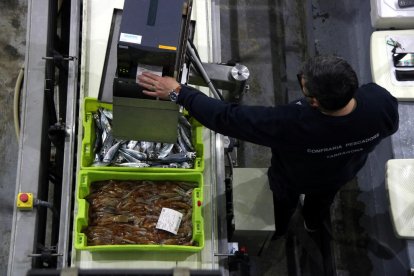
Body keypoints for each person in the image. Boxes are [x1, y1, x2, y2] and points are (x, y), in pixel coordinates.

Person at [137, 56, 399, 237]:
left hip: (292, 179)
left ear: (315, 102)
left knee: (282, 204)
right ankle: (313, 223)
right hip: (342, 172)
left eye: (303, 87)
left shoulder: (292, 124)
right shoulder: (381, 104)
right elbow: (390, 127)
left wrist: (179, 92)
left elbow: (227, 118)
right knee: (322, 200)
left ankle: (281, 230)